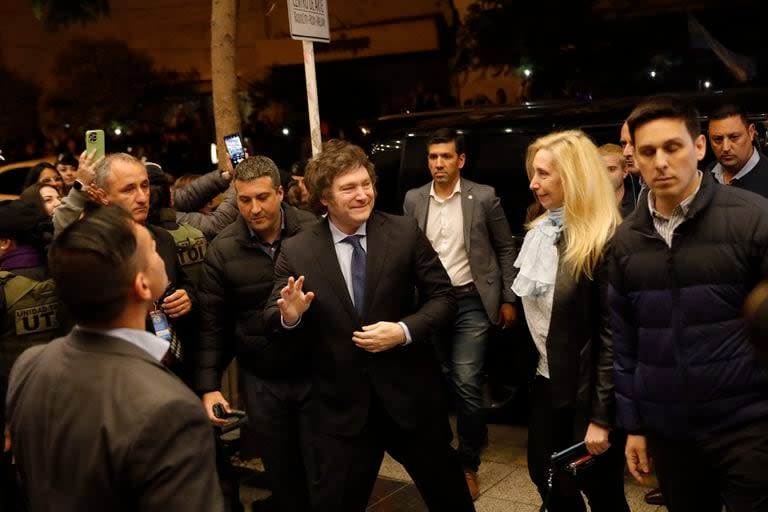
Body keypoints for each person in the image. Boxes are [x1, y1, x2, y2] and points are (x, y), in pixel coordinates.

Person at [264, 140, 475, 511]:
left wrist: (403, 331)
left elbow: (444, 299)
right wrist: (291, 315)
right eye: (349, 188)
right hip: (342, 408)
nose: (363, 195)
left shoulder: (404, 232)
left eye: (366, 184)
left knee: (450, 498)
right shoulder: (298, 250)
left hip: (410, 398)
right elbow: (273, 317)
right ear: (324, 198)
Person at [5, 205, 224, 512]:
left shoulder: (31, 364)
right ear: (142, 285)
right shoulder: (170, 409)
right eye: (153, 250)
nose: (162, 255)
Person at [610, 94, 768, 512]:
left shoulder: (752, 217)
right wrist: (635, 426)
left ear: (698, 148)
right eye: (647, 151)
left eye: (672, 147)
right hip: (671, 434)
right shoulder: (625, 241)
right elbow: (625, 342)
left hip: (748, 426)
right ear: (635, 160)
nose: (660, 161)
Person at [196, 156, 317, 512]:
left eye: (263, 197)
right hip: (262, 378)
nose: (254, 208)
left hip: (315, 372)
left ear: (280, 193)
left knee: (324, 466)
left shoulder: (312, 231)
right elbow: (211, 323)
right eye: (245, 199)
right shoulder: (224, 248)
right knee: (282, 471)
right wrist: (208, 385)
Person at [515, 130, 628, 512]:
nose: (533, 183)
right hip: (549, 382)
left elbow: (614, 338)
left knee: (601, 489)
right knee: (545, 475)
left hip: (589, 392)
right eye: (534, 173)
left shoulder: (604, 239)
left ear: (574, 177)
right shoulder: (541, 231)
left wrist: (601, 416)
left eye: (544, 174)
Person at [403, 128, 517, 499]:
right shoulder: (414, 200)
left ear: (460, 160)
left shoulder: (483, 197)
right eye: (433, 157)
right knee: (443, 380)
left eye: (446, 157)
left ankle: (467, 463)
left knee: (467, 379)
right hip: (432, 303)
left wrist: (508, 298)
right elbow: (406, 255)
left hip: (471, 299)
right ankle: (466, 439)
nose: (438, 163)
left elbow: (504, 248)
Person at [53, 153, 196, 378]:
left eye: (145, 186)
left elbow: (182, 283)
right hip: (115, 377)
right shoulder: (89, 252)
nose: (142, 197)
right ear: (102, 197)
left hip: (175, 372)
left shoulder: (163, 239)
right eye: (129, 189)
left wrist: (186, 297)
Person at [707, 103, 768, 197]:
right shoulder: (707, 175)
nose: (725, 148)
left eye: (734, 137)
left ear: (751, 132)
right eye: (717, 139)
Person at [598, 143, 634, 218]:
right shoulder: (589, 206)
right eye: (601, 170)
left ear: (625, 171)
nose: (605, 175)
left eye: (611, 169)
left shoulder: (637, 205)